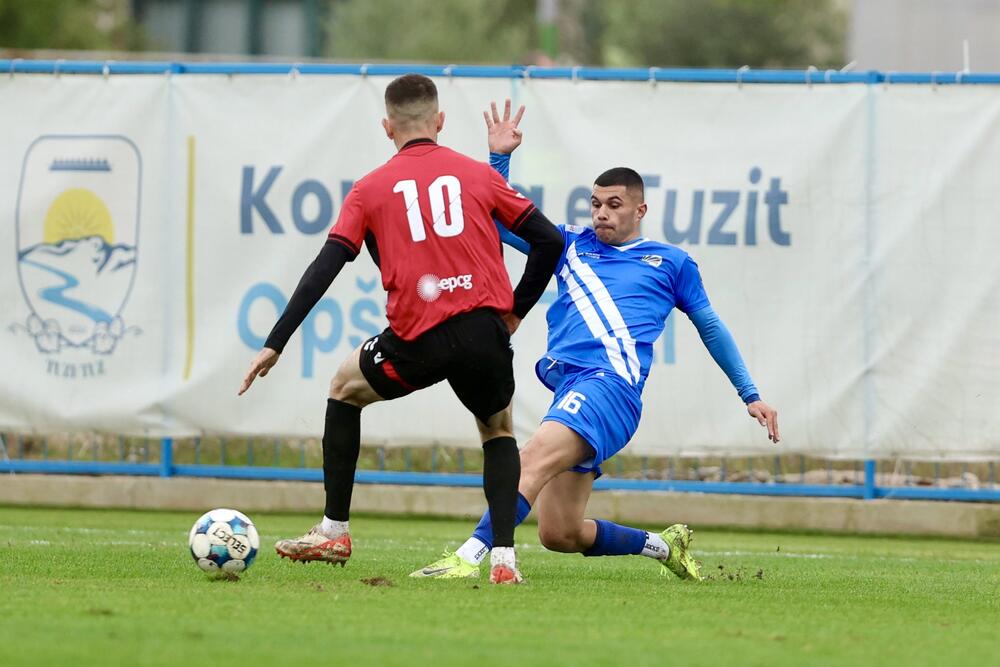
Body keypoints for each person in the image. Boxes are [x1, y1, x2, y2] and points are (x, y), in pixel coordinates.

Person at [412, 101, 780, 581]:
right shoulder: (568, 244)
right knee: (560, 533)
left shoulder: (671, 262)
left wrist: (749, 394)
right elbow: (499, 221)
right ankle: (662, 546)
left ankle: (469, 556)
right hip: (574, 389)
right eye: (596, 204)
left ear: (640, 209)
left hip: (610, 388)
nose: (602, 214)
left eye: (614, 205)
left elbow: (710, 326)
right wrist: (498, 159)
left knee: (530, 459)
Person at [238, 76, 563, 584]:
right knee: (498, 431)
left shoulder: (369, 188)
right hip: (485, 333)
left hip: (420, 339)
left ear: (387, 127)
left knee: (344, 389)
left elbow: (325, 266)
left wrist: (274, 342)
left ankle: (334, 530)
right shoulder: (477, 175)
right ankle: (503, 561)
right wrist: (516, 312)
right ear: (440, 121)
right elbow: (547, 242)